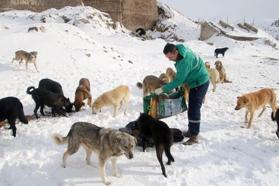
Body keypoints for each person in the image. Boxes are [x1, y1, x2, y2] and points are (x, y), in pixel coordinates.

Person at [154, 43, 209, 145]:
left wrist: (161, 90)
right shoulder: (180, 48)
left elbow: (178, 80)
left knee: (194, 109)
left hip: (200, 82)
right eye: (167, 57)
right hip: (194, 81)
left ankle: (194, 136)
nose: (169, 59)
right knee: (192, 108)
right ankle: (191, 130)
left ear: (175, 52)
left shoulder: (184, 62)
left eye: (170, 57)